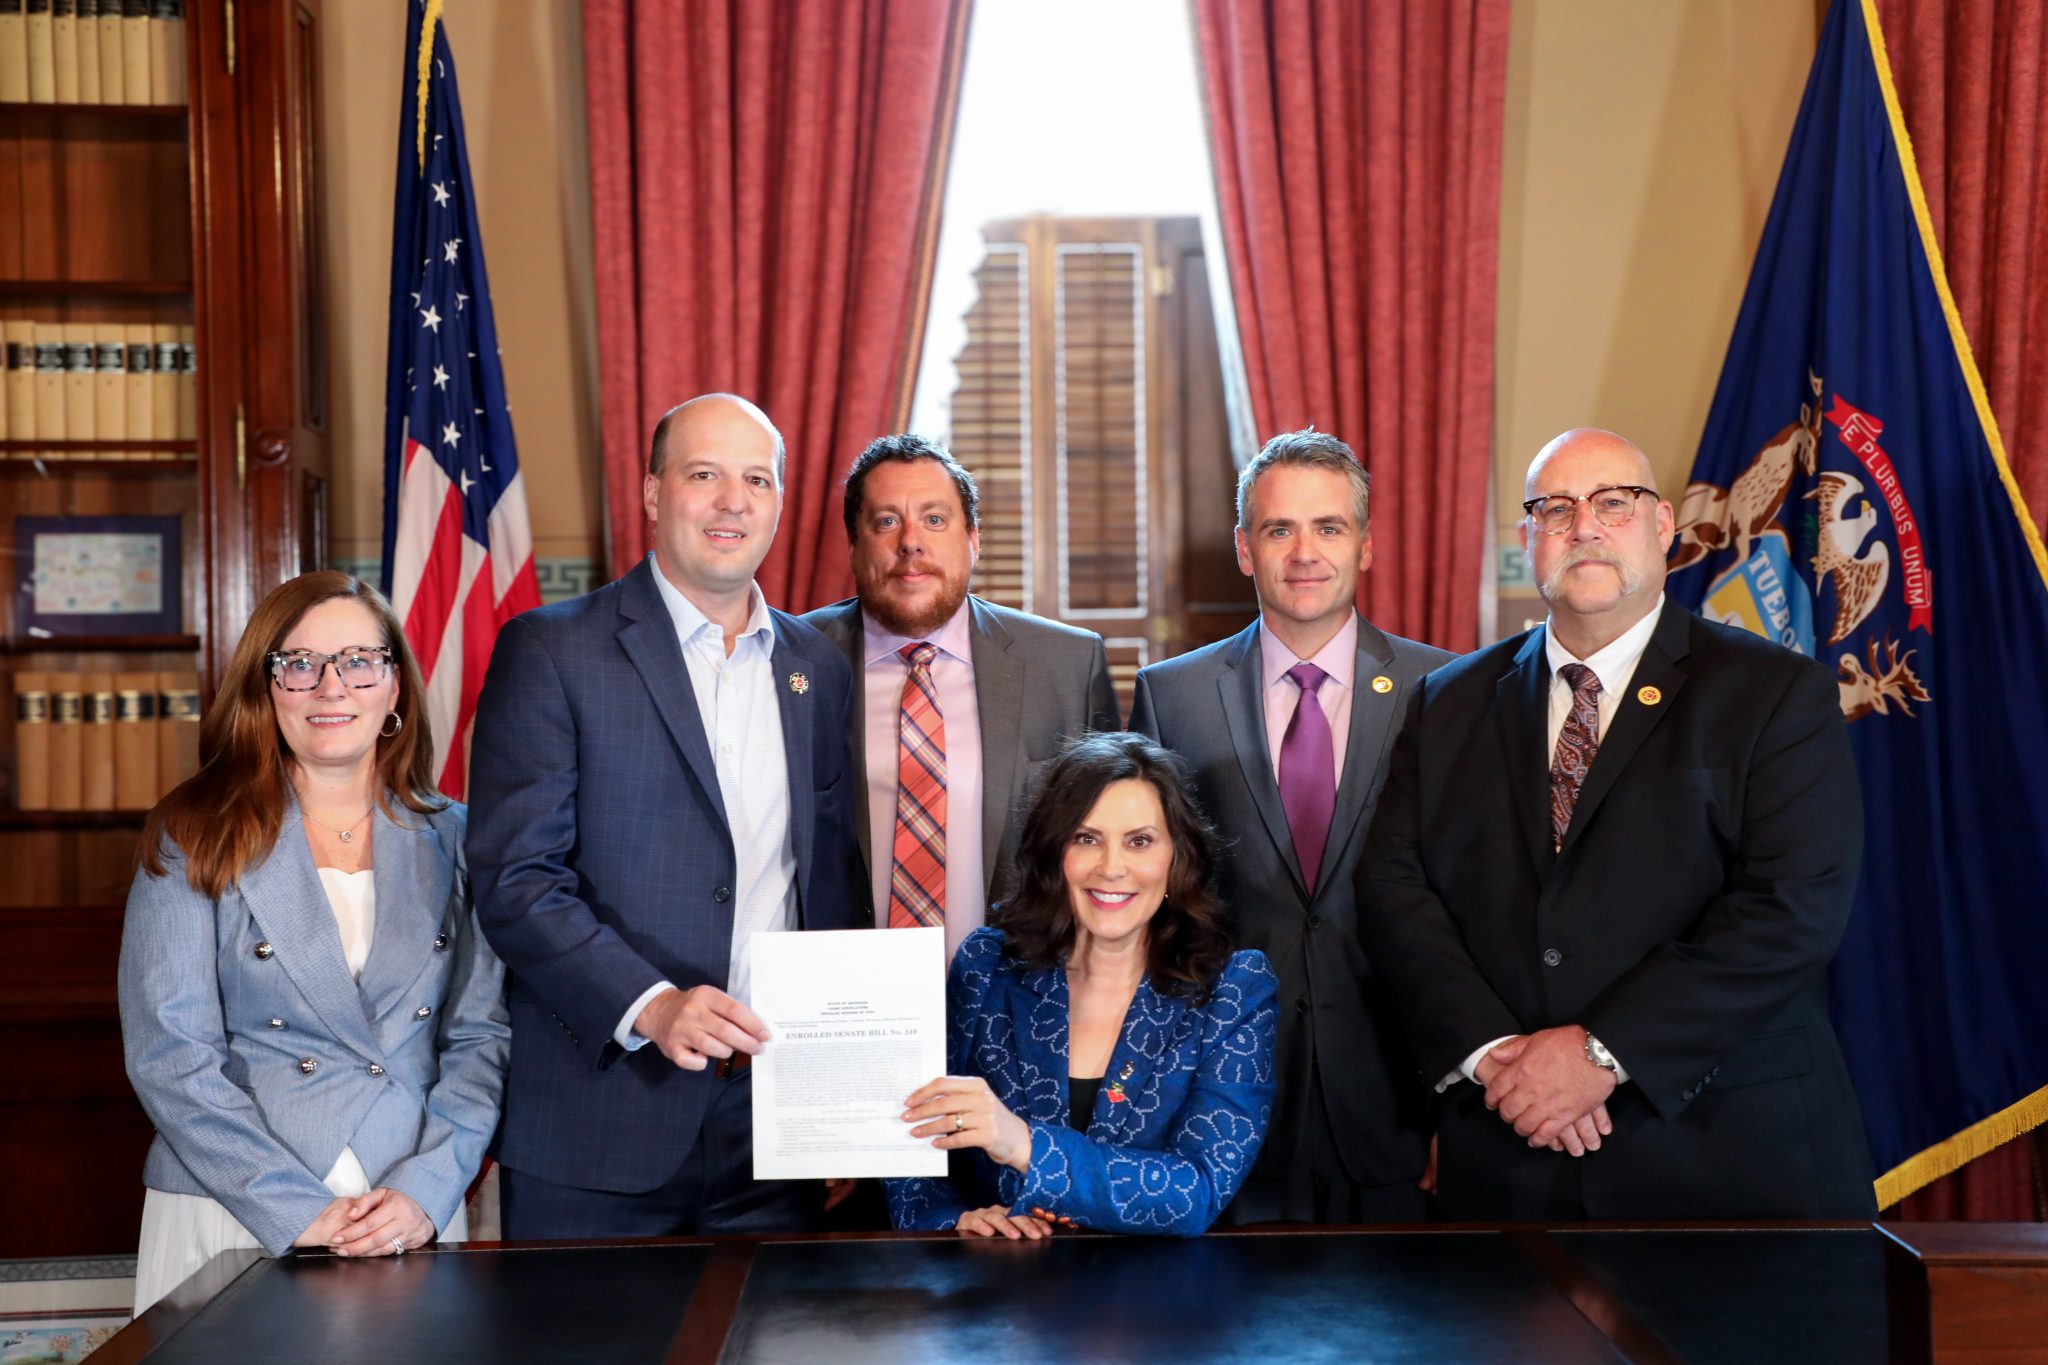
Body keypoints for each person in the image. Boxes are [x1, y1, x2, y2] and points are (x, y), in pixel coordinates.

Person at [1358, 427, 1876, 1220]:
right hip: (1509, 1148)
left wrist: (1601, 1053)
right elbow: (1395, 891)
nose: (1584, 526)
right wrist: (1498, 1059)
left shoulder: (1774, 693)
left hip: (1727, 1160)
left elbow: (1792, 906)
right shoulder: (1447, 702)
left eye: (1613, 503)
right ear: (1529, 536)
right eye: (1554, 507)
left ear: (1663, 526)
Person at [467, 393, 865, 1239]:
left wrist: (843, 1097)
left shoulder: (815, 669)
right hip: (598, 1126)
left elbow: (825, 888)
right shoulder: (550, 650)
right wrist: (650, 1004)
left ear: (780, 503)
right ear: (652, 494)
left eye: (757, 478)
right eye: (704, 474)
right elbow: (514, 880)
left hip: (775, 1128)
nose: (733, 500)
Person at [119, 572, 507, 1312]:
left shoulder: (459, 837)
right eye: (298, 664)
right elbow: (170, 1054)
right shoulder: (193, 832)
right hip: (236, 1201)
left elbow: (481, 1037)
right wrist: (296, 1208)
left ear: (395, 687)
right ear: (265, 689)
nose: (332, 687)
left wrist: (429, 1186)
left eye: (360, 660)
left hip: (407, 1205)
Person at [1128, 429, 1448, 1224]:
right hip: (1219, 1105)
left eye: (1329, 527)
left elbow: (1471, 902)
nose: (1305, 552)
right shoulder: (1173, 695)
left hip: (1399, 1101)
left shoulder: (1444, 687)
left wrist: (1459, 1094)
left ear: (1366, 546)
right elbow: (1146, 910)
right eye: (1279, 529)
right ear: (1246, 547)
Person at [887, 731, 1277, 1237]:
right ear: (1055, 852)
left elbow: (1197, 1191)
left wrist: (1024, 1145)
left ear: (1177, 856)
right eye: (1086, 838)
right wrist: (951, 1219)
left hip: (1157, 1299)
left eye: (1139, 841)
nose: (1111, 867)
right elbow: (913, 1130)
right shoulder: (987, 965)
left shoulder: (1233, 988)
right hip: (999, 1292)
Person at [804, 434, 1121, 959]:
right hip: (846, 1005)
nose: (911, 543)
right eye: (886, 522)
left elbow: (1113, 844)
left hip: (1022, 998)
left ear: (974, 538)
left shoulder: (1068, 664)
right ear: (854, 546)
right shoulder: (797, 659)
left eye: (934, 519)